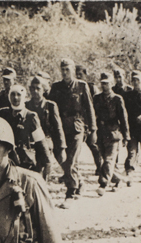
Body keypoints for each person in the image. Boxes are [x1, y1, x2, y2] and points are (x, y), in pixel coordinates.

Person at [48, 58, 96, 206]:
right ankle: (79, 181)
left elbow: (89, 108)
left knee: (71, 159)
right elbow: (49, 108)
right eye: (62, 70)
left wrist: (93, 129)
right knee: (60, 157)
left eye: (67, 69)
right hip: (61, 128)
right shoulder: (56, 87)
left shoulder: (82, 86)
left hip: (76, 127)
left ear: (73, 70)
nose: (64, 73)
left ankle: (70, 192)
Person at [0, 84, 50, 178]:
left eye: (18, 95)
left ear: (24, 97)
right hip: (6, 160)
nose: (15, 98)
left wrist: (47, 163)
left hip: (25, 162)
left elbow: (41, 142)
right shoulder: (3, 114)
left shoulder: (31, 117)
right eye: (12, 94)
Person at [93, 72, 130, 196]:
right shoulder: (97, 98)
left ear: (112, 84)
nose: (105, 86)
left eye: (107, 83)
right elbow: (93, 115)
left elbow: (123, 118)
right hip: (101, 133)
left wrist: (126, 135)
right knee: (106, 159)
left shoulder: (117, 99)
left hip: (113, 133)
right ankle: (118, 179)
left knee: (109, 159)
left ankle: (103, 184)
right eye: (103, 83)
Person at [25, 75, 67, 180]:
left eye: (38, 88)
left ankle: (77, 182)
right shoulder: (26, 105)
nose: (35, 91)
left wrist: (62, 148)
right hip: (30, 141)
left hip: (47, 140)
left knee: (48, 163)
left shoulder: (50, 106)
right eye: (32, 88)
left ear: (43, 90)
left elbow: (58, 128)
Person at [76, 64, 103, 175]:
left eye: (80, 74)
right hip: (78, 121)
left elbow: (97, 106)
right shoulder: (74, 87)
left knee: (93, 145)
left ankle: (101, 167)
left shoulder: (92, 87)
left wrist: (93, 123)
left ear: (85, 75)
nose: (78, 77)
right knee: (74, 147)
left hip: (91, 121)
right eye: (76, 74)